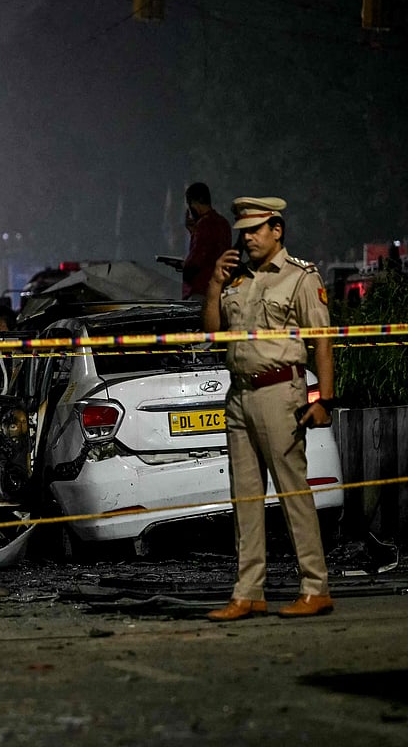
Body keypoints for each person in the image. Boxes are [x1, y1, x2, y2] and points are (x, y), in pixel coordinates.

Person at [203, 196, 336, 622]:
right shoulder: (237, 279)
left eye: (255, 230)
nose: (247, 238)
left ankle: (316, 587)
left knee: (293, 493)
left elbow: (322, 342)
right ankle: (248, 592)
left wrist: (323, 400)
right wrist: (212, 286)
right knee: (244, 499)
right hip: (239, 394)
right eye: (243, 232)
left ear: (276, 230)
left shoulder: (298, 277)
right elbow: (212, 335)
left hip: (281, 393)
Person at [181, 182, 233, 302]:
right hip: (219, 289)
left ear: (193, 203)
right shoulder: (223, 223)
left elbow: (196, 259)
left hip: (200, 290)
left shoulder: (204, 224)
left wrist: (184, 266)